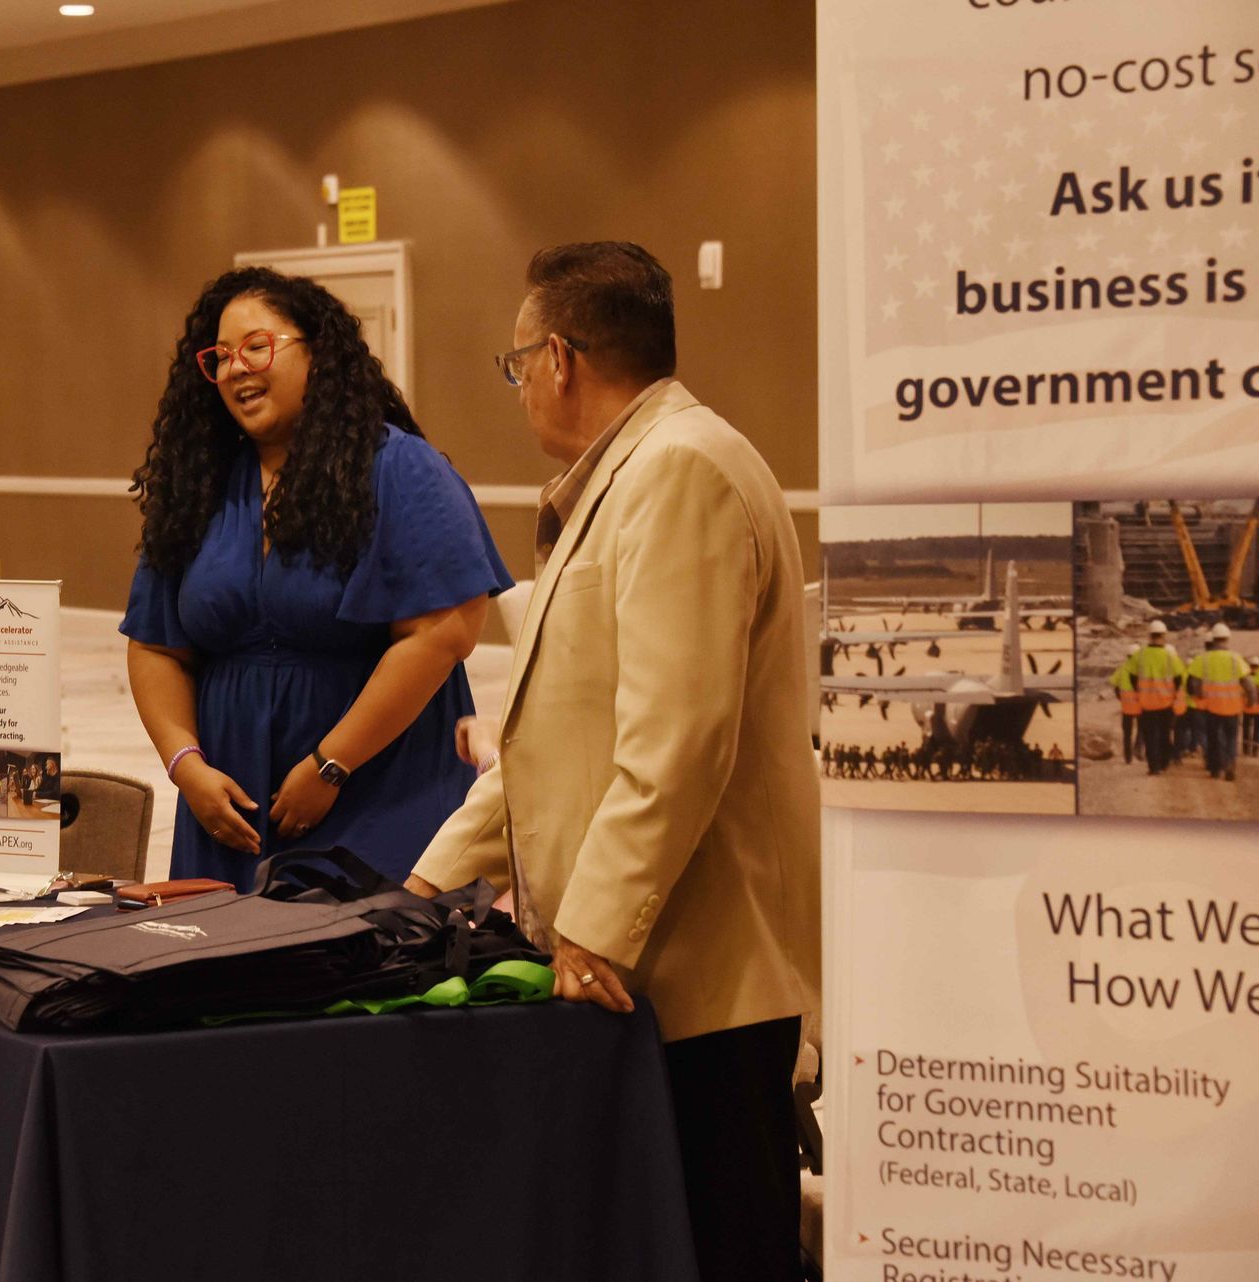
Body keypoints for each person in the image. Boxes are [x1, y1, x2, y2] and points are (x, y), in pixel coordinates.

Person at [404, 243, 819, 1281]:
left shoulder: (680, 470)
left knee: (723, 1252)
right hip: (646, 971)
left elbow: (676, 739)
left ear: (559, 358)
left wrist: (589, 931)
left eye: (515, 366)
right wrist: (426, 885)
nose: (521, 389)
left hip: (703, 983)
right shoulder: (625, 476)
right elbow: (551, 736)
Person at [123, 267, 511, 890]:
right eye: (219, 357)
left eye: (257, 346)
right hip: (230, 809)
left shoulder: (399, 468)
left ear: (319, 353)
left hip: (380, 791)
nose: (236, 369)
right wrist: (185, 765)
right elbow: (154, 645)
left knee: (362, 973)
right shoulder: (198, 489)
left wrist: (331, 765)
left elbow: (444, 632)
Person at [1185, 623, 1253, 781]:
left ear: (1213, 639)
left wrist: (1200, 695)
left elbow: (1195, 683)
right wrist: (1251, 700)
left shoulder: (1203, 659)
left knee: (1214, 738)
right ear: (1227, 639)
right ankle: (1230, 766)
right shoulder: (1236, 659)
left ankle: (1215, 769)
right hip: (1233, 708)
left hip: (1212, 708)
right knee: (1231, 738)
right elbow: (1248, 684)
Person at [1132, 620, 1183, 775]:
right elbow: (1179, 678)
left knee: (1150, 736)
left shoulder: (1139, 655)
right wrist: (1174, 695)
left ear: (1149, 636)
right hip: (1166, 703)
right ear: (1163, 636)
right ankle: (1164, 763)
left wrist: (1139, 693)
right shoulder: (1169, 656)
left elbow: (1132, 677)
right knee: (1164, 734)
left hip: (1146, 704)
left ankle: (1153, 767)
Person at [1108, 643, 1141, 764]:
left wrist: (1120, 696)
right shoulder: (1140, 669)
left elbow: (1114, 684)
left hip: (1126, 706)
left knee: (1127, 733)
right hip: (1140, 705)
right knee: (1142, 729)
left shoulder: (1122, 668)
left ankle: (1128, 758)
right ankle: (1138, 750)